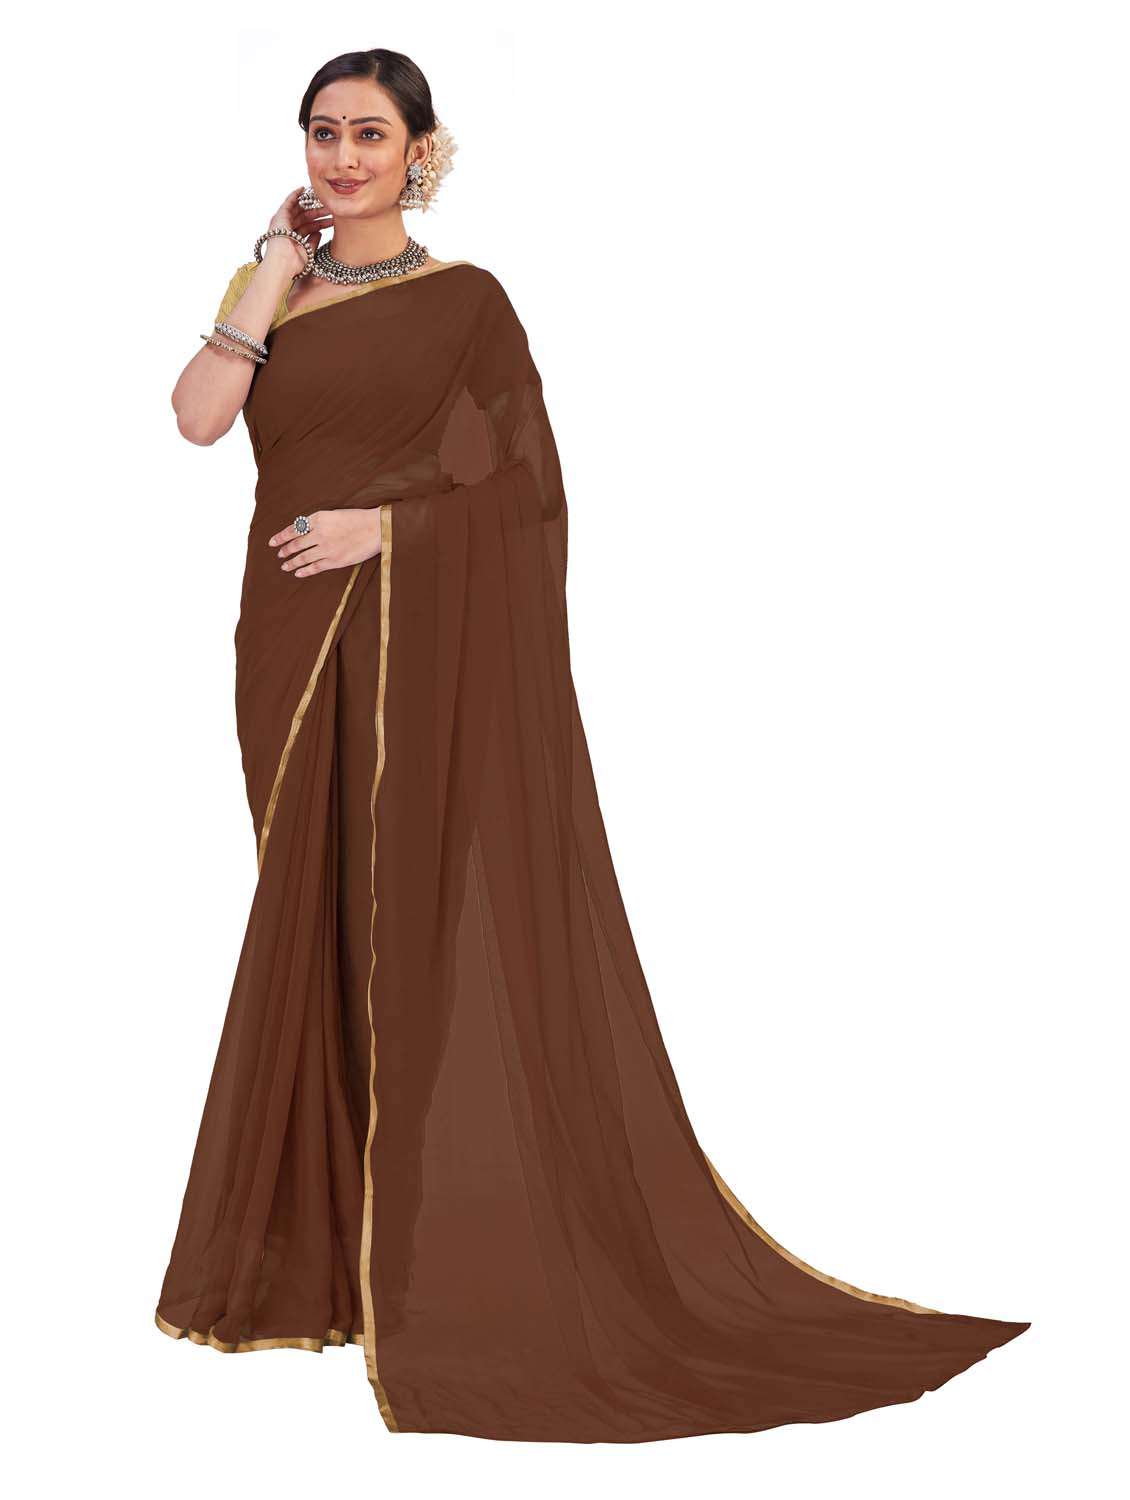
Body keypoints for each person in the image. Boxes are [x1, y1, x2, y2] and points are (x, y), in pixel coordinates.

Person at [154, 46, 1029, 1444]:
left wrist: (391, 531)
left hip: (406, 641)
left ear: (422, 150)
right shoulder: (275, 290)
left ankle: (440, 1270)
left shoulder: (468, 303)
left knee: (408, 921)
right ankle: (339, 1267)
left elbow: (529, 491)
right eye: (322, 133)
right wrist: (267, 265)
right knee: (311, 925)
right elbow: (200, 419)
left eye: (370, 135)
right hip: (287, 651)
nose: (343, 159)